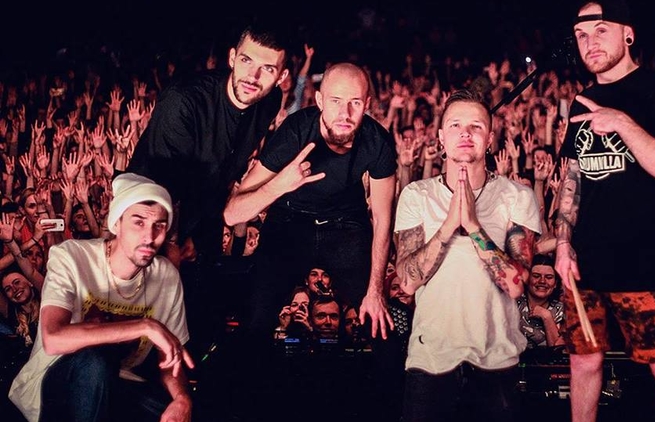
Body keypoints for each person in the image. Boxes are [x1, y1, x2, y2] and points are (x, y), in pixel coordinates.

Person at [554, 1, 655, 421]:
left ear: (627, 34)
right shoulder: (582, 100)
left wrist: (622, 122)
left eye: (601, 30)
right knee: (583, 363)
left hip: (640, 261)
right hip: (584, 263)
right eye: (581, 35)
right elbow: (572, 179)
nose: (590, 42)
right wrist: (562, 243)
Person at [126, 21, 290, 354]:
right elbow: (162, 183)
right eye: (246, 61)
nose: (253, 76)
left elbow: (228, 167)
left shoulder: (270, 100)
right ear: (231, 58)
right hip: (153, 210)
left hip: (207, 207)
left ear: (281, 77)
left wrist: (205, 228)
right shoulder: (184, 100)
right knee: (148, 314)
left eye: (268, 69)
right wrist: (173, 241)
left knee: (200, 319)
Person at [223, 62, 397, 341]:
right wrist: (279, 185)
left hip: (346, 225)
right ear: (319, 100)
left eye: (354, 102)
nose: (345, 113)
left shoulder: (377, 142)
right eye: (336, 101)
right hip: (290, 220)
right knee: (256, 320)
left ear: (366, 104)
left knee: (379, 323)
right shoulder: (295, 132)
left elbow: (382, 219)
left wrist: (375, 292)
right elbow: (233, 213)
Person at [394, 89, 540, 421]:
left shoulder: (517, 196)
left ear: (490, 139)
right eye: (455, 125)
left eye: (476, 126)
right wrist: (448, 226)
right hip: (430, 359)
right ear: (441, 138)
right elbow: (407, 282)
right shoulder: (416, 195)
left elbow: (516, 284)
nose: (465, 133)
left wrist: (473, 225)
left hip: (497, 359)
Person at [8, 173, 194, 422]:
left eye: (159, 225)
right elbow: (53, 338)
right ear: (117, 224)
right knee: (94, 363)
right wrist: (145, 326)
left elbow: (169, 359)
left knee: (182, 410)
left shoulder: (166, 276)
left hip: (118, 381)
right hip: (54, 378)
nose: (149, 237)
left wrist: (182, 398)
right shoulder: (71, 256)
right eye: (138, 222)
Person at [517, 254, 565, 349]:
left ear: (555, 284)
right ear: (527, 279)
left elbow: (559, 351)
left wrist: (546, 316)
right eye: (536, 276)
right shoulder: (512, 304)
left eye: (549, 277)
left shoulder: (563, 310)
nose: (542, 281)